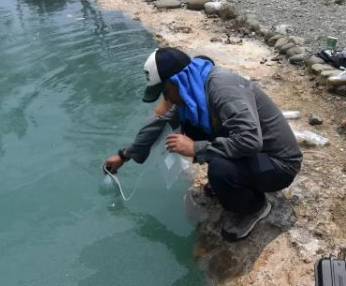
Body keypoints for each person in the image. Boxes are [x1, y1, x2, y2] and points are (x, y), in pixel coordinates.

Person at [103, 47, 302, 242]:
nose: (166, 99)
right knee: (189, 127)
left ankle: (254, 207)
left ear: (176, 81)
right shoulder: (191, 92)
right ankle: (238, 181)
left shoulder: (222, 89)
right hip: (256, 155)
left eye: (165, 92)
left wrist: (196, 148)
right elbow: (158, 123)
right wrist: (124, 156)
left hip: (279, 164)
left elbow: (250, 140)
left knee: (219, 169)